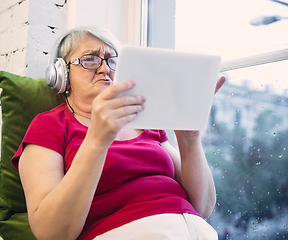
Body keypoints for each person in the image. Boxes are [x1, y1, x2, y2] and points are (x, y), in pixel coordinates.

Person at [12, 25, 226, 240]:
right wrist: (97, 139)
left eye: (112, 60)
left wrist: (189, 137)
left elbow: (203, 207)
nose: (105, 69)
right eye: (90, 59)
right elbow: (51, 233)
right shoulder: (49, 125)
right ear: (62, 75)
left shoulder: (146, 120)